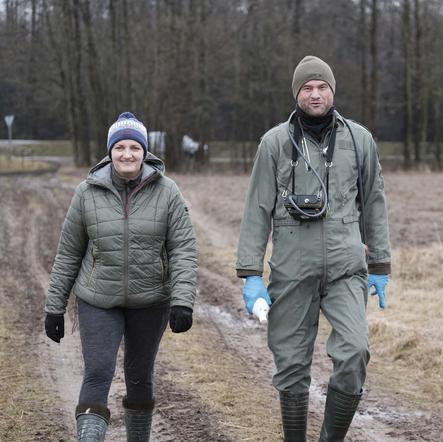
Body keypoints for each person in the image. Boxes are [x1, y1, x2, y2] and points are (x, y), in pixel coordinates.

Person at [236, 55, 391, 441]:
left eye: (322, 87)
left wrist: (381, 264)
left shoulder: (359, 140)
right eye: (307, 87)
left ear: (333, 91)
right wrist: (251, 273)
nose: (316, 94)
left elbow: (374, 200)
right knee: (290, 365)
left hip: (345, 268)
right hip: (292, 268)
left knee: (354, 353)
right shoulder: (274, 143)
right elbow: (257, 208)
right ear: (297, 94)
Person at [44, 112, 198, 441]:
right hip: (98, 299)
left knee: (140, 375)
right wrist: (54, 306)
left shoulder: (168, 192)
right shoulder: (86, 193)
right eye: (119, 147)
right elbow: (69, 253)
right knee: (98, 371)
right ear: (109, 151)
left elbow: (183, 249)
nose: (127, 154)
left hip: (151, 300)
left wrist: (182, 301)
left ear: (145, 152)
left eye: (134, 147)